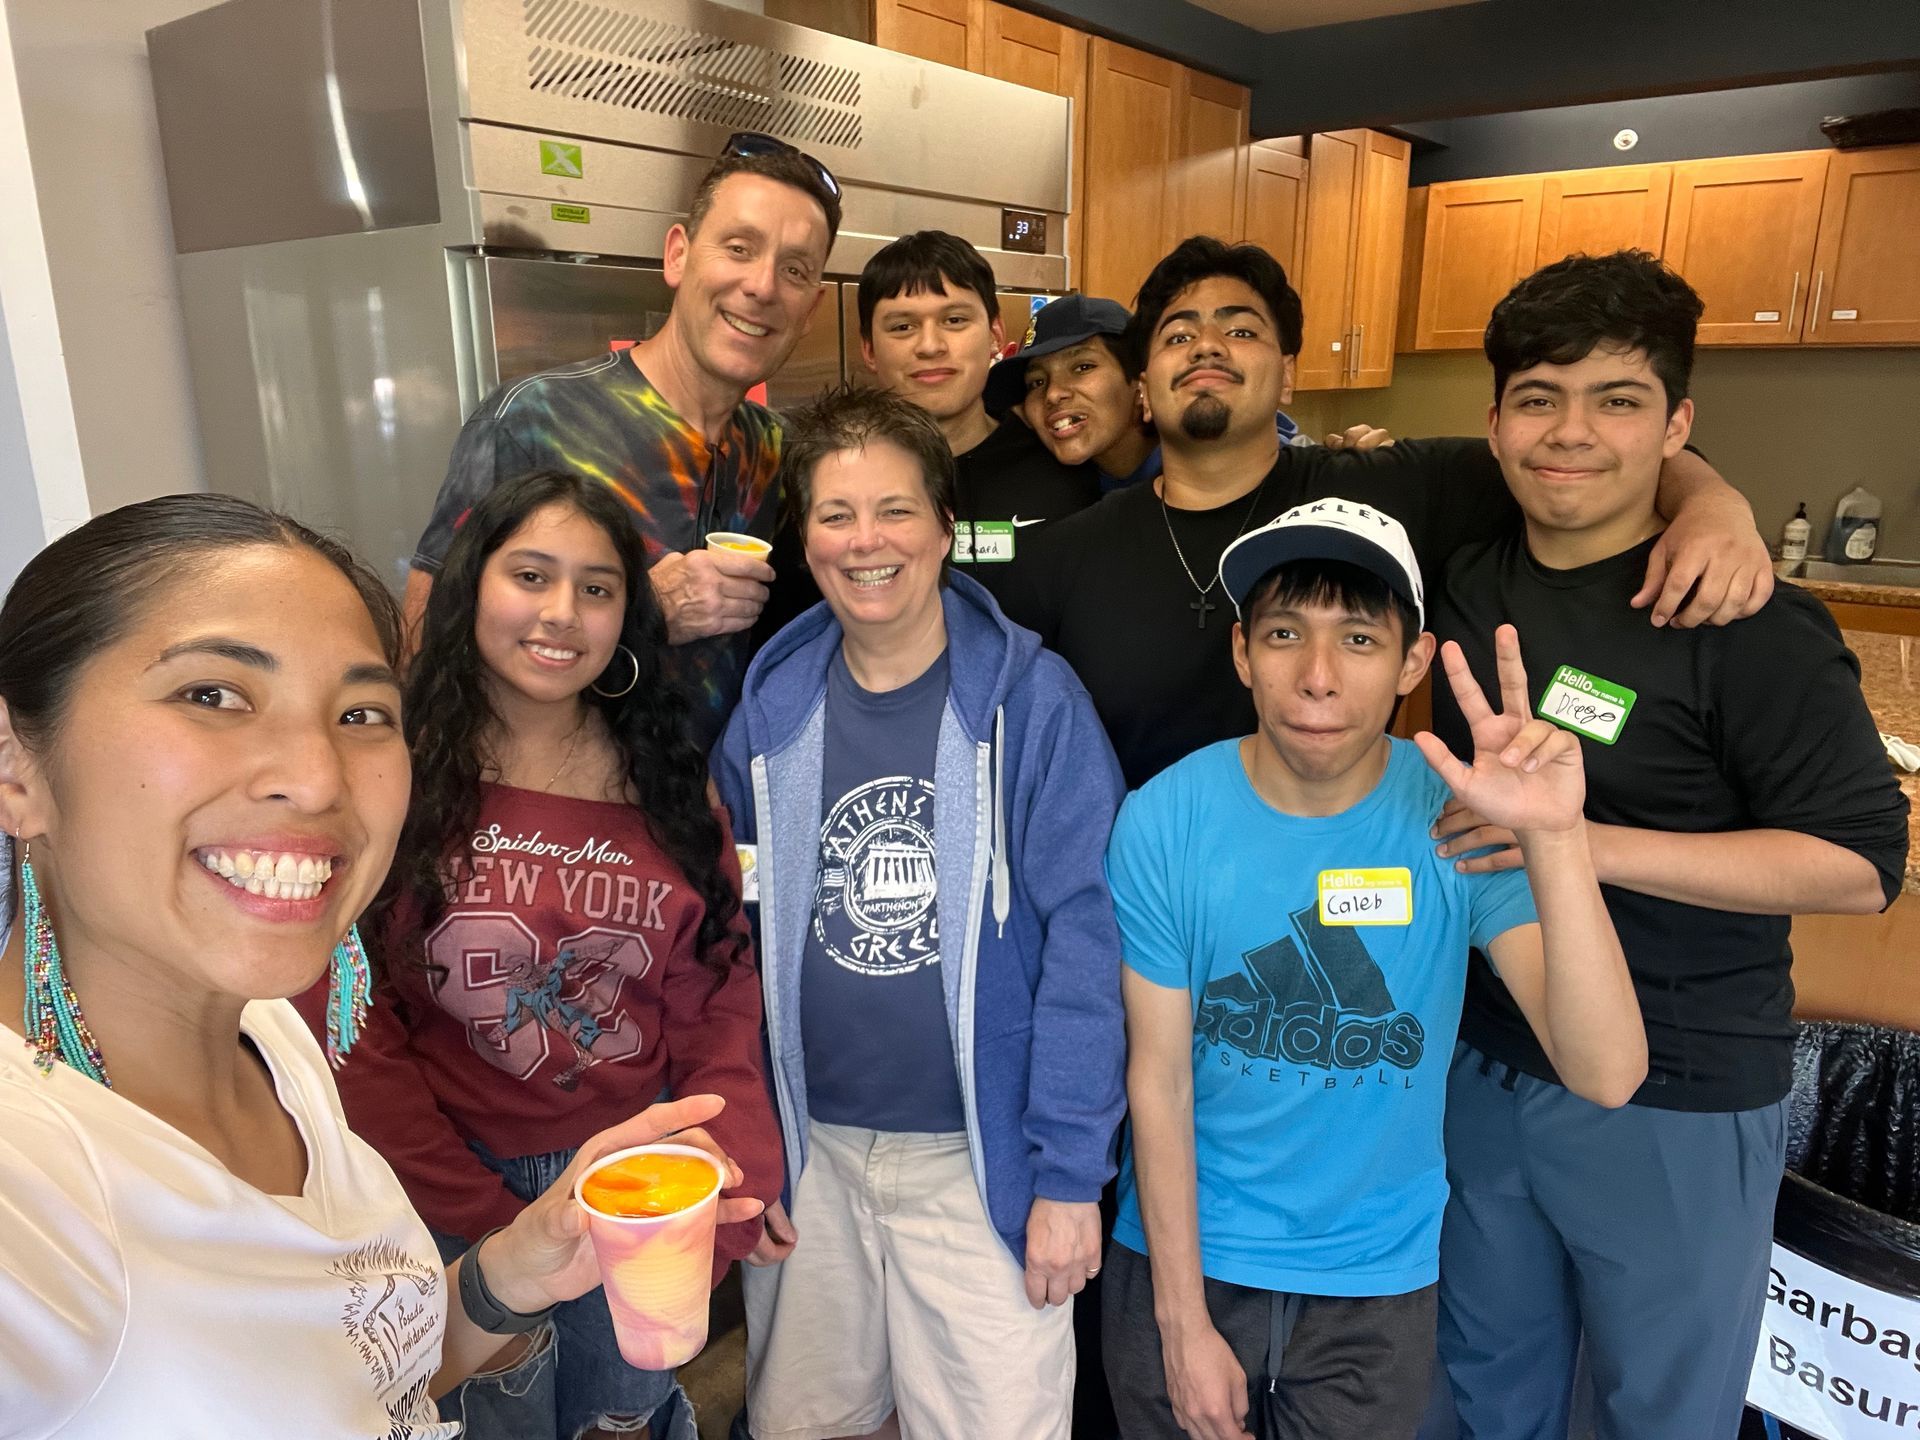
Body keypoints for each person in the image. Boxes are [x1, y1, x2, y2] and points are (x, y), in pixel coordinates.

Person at [0, 494, 762, 1439]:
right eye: (213, 695)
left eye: (360, 712)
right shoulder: (26, 1209)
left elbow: (365, 1367)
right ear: (15, 763)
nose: (316, 776)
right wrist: (482, 1208)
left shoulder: (272, 1036)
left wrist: (510, 1268)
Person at [1425, 251, 1911, 1440]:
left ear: (1677, 423)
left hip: (1682, 1097)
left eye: (1619, 401)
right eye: (1539, 399)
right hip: (1489, 1064)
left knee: (1659, 1411)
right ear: (1494, 423)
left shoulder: (1746, 621)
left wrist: (1582, 844)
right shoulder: (1471, 568)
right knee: (1485, 1393)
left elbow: (1859, 865)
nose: (1571, 434)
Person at [1104, 499, 1646, 1440]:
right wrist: (1181, 1323)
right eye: (1284, 635)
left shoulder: (1451, 819)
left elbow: (1607, 1071)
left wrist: (1554, 835)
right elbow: (1159, 1083)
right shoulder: (1163, 819)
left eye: (1358, 639)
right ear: (1242, 653)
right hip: (1187, 1264)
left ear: (1412, 663)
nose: (1317, 679)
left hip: (1374, 1283)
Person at [302, 472, 783, 1440]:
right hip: (440, 1189)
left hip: (638, 1185)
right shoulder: (387, 769)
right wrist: (489, 1221)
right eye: (531, 575)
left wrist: (740, 1162)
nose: (561, 613)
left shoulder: (664, 777)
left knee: (624, 1421)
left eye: (597, 588)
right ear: (473, 585)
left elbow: (716, 987)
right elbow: (346, 1006)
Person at [713, 386, 1127, 1439]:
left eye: (895, 510)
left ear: (947, 526)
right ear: (803, 540)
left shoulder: (1034, 707)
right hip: (813, 1160)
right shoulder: (770, 709)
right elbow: (729, 939)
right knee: (803, 1425)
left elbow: (1088, 950)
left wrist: (1071, 1177)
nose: (867, 542)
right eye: (836, 514)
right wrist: (756, 1146)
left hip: (980, 1166)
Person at [998, 235, 1776, 792]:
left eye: (1241, 328)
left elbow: (1570, 458)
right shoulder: (1065, 557)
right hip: (1151, 907)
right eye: (1178, 334)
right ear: (1144, 383)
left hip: (1350, 898)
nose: (1209, 345)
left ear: (1288, 377)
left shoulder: (1394, 491)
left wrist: (1710, 501)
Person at [406, 133, 843, 748]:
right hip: (557, 821)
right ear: (678, 256)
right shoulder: (535, 420)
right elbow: (427, 642)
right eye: (739, 248)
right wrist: (642, 608)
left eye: (794, 269)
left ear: (811, 307)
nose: (763, 286)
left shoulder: (780, 452)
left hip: (716, 821)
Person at [857, 230, 1101, 594]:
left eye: (954, 320)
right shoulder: (840, 475)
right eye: (903, 326)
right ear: (870, 350)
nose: (930, 346)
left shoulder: (1066, 465)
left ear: (995, 334)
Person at [988, 291, 1390, 491]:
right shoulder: (1052, 486)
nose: (1054, 393)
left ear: (1141, 381)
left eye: (1083, 366)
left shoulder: (1218, 460)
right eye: (1036, 382)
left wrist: (1352, 469)